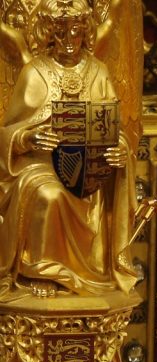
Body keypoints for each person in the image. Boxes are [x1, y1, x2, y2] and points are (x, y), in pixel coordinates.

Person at [0, 0, 136, 298]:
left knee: (85, 191)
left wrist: (120, 151)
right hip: (40, 166)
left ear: (86, 32)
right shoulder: (35, 72)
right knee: (50, 195)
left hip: (88, 170)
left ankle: (89, 271)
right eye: (61, 32)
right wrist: (29, 138)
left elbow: (114, 129)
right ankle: (42, 270)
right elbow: (7, 133)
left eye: (76, 31)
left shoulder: (98, 72)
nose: (69, 40)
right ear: (49, 33)